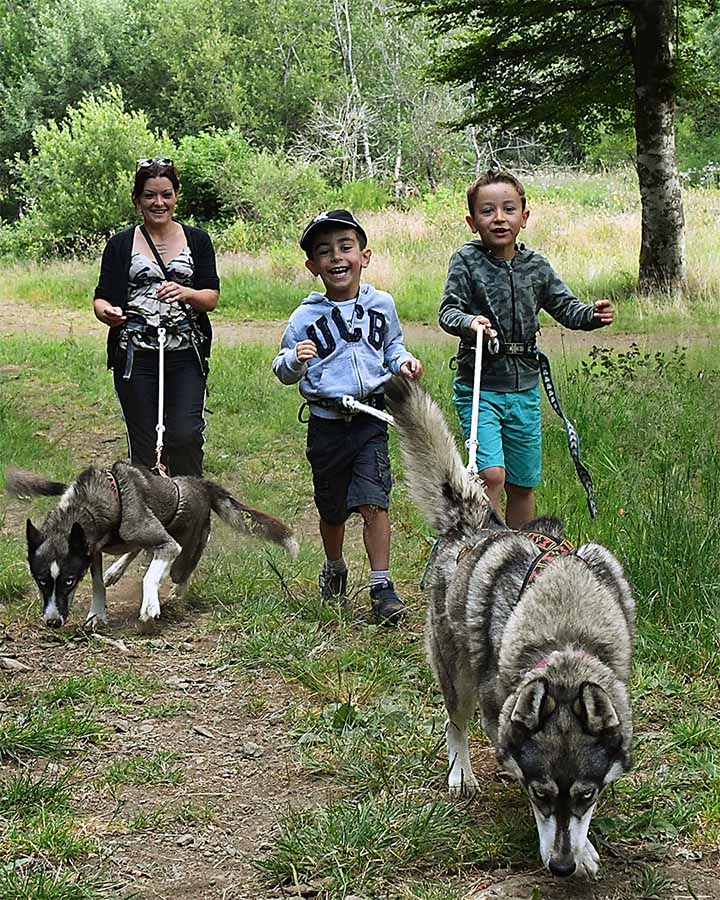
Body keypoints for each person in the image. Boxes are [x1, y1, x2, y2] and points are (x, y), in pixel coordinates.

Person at [439, 169, 614, 528]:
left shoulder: (536, 266)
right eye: (487, 211)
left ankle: (519, 556)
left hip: (525, 390)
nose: (499, 218)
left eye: (508, 209)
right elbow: (448, 311)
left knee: (522, 482)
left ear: (524, 217)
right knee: (490, 475)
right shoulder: (467, 261)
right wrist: (470, 323)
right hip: (480, 386)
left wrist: (593, 315)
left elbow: (566, 308)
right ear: (473, 222)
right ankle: (485, 549)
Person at [272, 210, 423, 624]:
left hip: (371, 417)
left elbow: (392, 346)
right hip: (326, 423)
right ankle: (335, 566)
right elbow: (281, 367)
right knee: (332, 508)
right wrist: (296, 360)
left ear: (365, 255)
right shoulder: (304, 318)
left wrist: (404, 362)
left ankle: (381, 585)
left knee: (375, 502)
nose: (336, 257)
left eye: (345, 247)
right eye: (324, 251)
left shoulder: (382, 304)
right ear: (312, 266)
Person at [93, 158, 220, 476]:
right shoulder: (120, 244)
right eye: (149, 195)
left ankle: (191, 509)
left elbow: (211, 298)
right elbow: (101, 296)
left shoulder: (198, 240)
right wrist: (106, 312)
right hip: (135, 354)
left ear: (176, 196)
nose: (158, 202)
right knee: (144, 444)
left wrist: (186, 293)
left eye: (166, 194)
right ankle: (145, 517)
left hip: (185, 353)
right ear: (137, 200)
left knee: (185, 435)